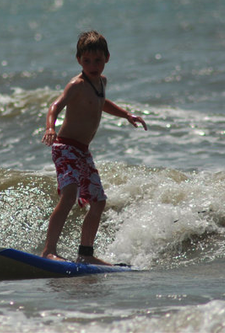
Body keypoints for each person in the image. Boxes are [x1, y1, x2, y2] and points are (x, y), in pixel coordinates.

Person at [41, 31, 148, 265]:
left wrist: (125, 114)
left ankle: (85, 254)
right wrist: (51, 128)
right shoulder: (76, 85)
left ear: (107, 58)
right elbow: (55, 106)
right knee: (69, 195)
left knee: (98, 201)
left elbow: (101, 102)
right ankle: (49, 250)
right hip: (65, 147)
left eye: (97, 60)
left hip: (82, 152)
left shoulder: (101, 82)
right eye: (87, 60)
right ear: (79, 60)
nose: (92, 65)